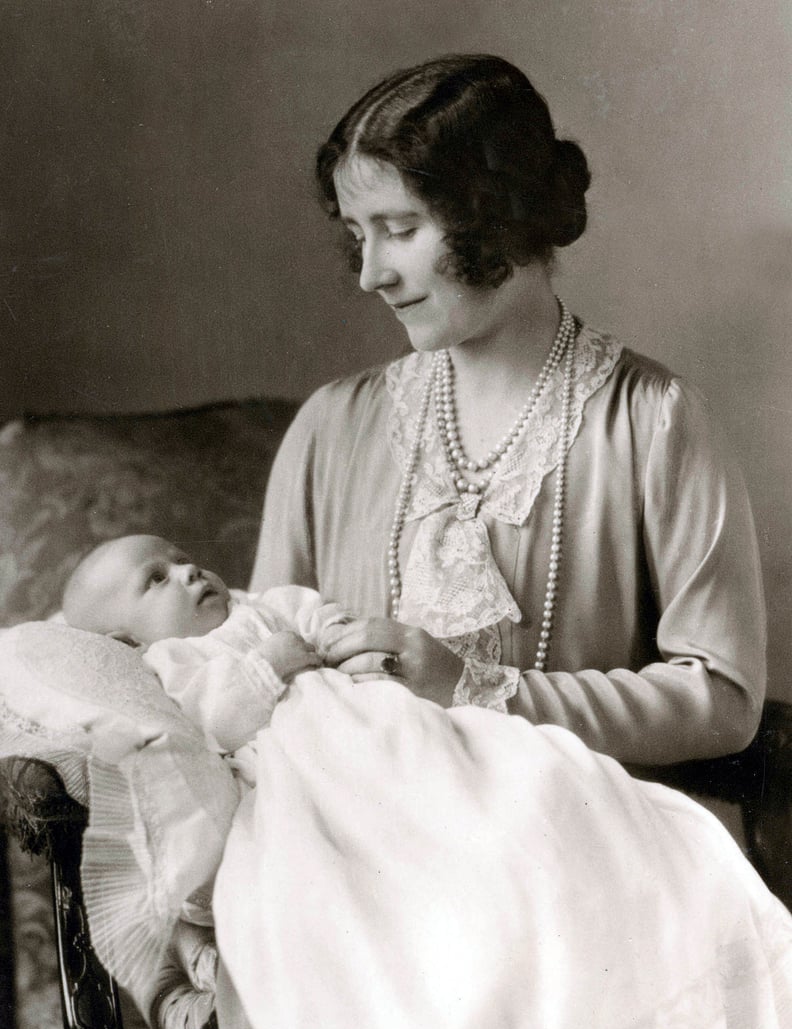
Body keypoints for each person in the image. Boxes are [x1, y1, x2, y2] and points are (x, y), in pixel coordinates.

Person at [252, 52, 766, 769]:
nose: (372, 274)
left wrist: (480, 689)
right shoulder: (330, 428)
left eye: (400, 229)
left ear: (497, 214)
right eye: (357, 236)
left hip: (568, 838)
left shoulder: (655, 422)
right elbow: (256, 665)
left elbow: (724, 697)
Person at [62, 532, 349, 759]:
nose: (189, 569)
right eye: (158, 578)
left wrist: (332, 630)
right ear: (129, 641)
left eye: (182, 559)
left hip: (348, 703)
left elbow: (308, 610)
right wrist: (267, 669)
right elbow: (214, 726)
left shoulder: (252, 604)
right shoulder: (173, 661)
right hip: (296, 747)